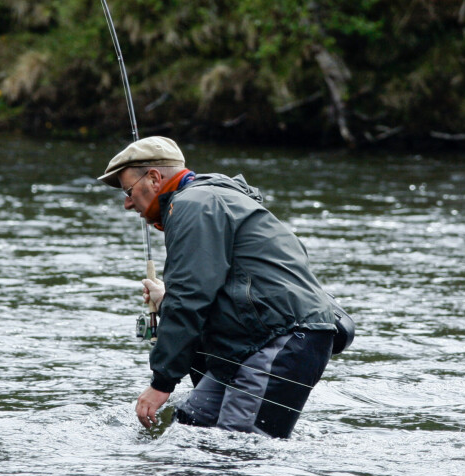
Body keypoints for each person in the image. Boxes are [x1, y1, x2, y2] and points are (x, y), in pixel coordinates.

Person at [98, 136, 344, 438]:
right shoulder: (209, 200)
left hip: (282, 339)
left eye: (127, 191)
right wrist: (167, 300)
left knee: (234, 448)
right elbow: (220, 288)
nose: (126, 203)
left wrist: (161, 384)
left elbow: (190, 298)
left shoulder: (192, 205)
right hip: (261, 339)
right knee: (192, 431)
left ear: (153, 178)